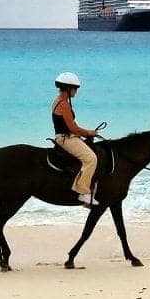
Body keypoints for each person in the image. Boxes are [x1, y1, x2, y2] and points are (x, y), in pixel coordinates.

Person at [52, 72, 99, 206]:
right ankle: (83, 192)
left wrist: (86, 133)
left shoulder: (59, 101)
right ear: (68, 88)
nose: (76, 92)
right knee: (91, 159)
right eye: (75, 89)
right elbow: (72, 128)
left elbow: (73, 125)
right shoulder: (63, 104)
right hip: (65, 138)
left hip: (69, 136)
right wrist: (88, 132)